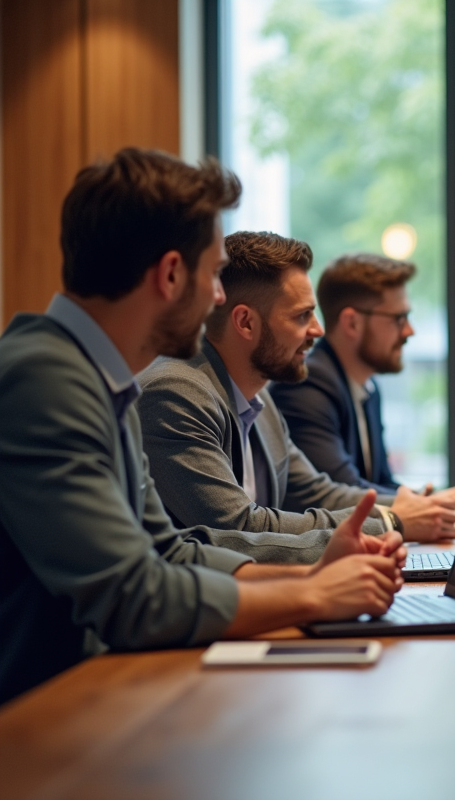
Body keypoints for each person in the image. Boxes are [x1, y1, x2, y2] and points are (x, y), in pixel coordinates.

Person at [0, 148, 405, 704]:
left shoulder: (97, 378)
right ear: (170, 274)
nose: (220, 295)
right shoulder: (44, 383)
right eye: (215, 274)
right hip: (37, 721)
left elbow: (170, 554)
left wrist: (311, 577)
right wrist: (312, 597)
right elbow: (135, 599)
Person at [137, 232, 455, 558]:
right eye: (302, 315)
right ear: (245, 322)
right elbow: (238, 529)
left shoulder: (259, 399)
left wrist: (428, 508)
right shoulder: (176, 394)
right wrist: (389, 521)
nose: (318, 330)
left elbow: (317, 493)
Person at [270, 253, 455, 511]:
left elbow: (379, 481)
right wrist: (436, 503)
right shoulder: (307, 386)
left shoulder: (367, 387)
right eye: (398, 318)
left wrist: (432, 500)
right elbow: (343, 491)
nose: (409, 330)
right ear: (352, 323)